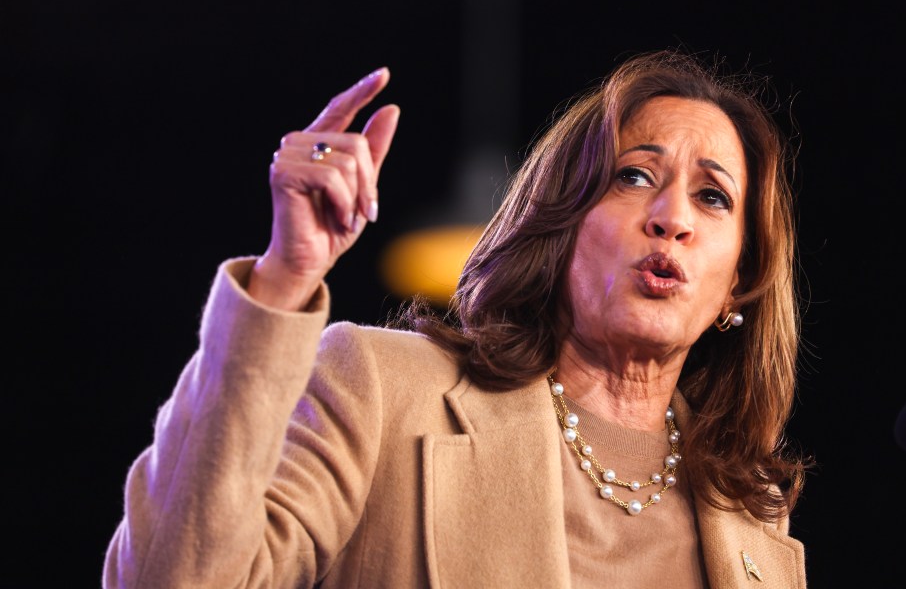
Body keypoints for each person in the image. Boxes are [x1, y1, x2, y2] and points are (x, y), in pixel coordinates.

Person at [103, 50, 811, 588]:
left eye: (713, 197)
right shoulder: (383, 391)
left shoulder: (750, 513)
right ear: (561, 221)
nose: (672, 218)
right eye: (634, 176)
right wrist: (285, 280)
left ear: (739, 285)